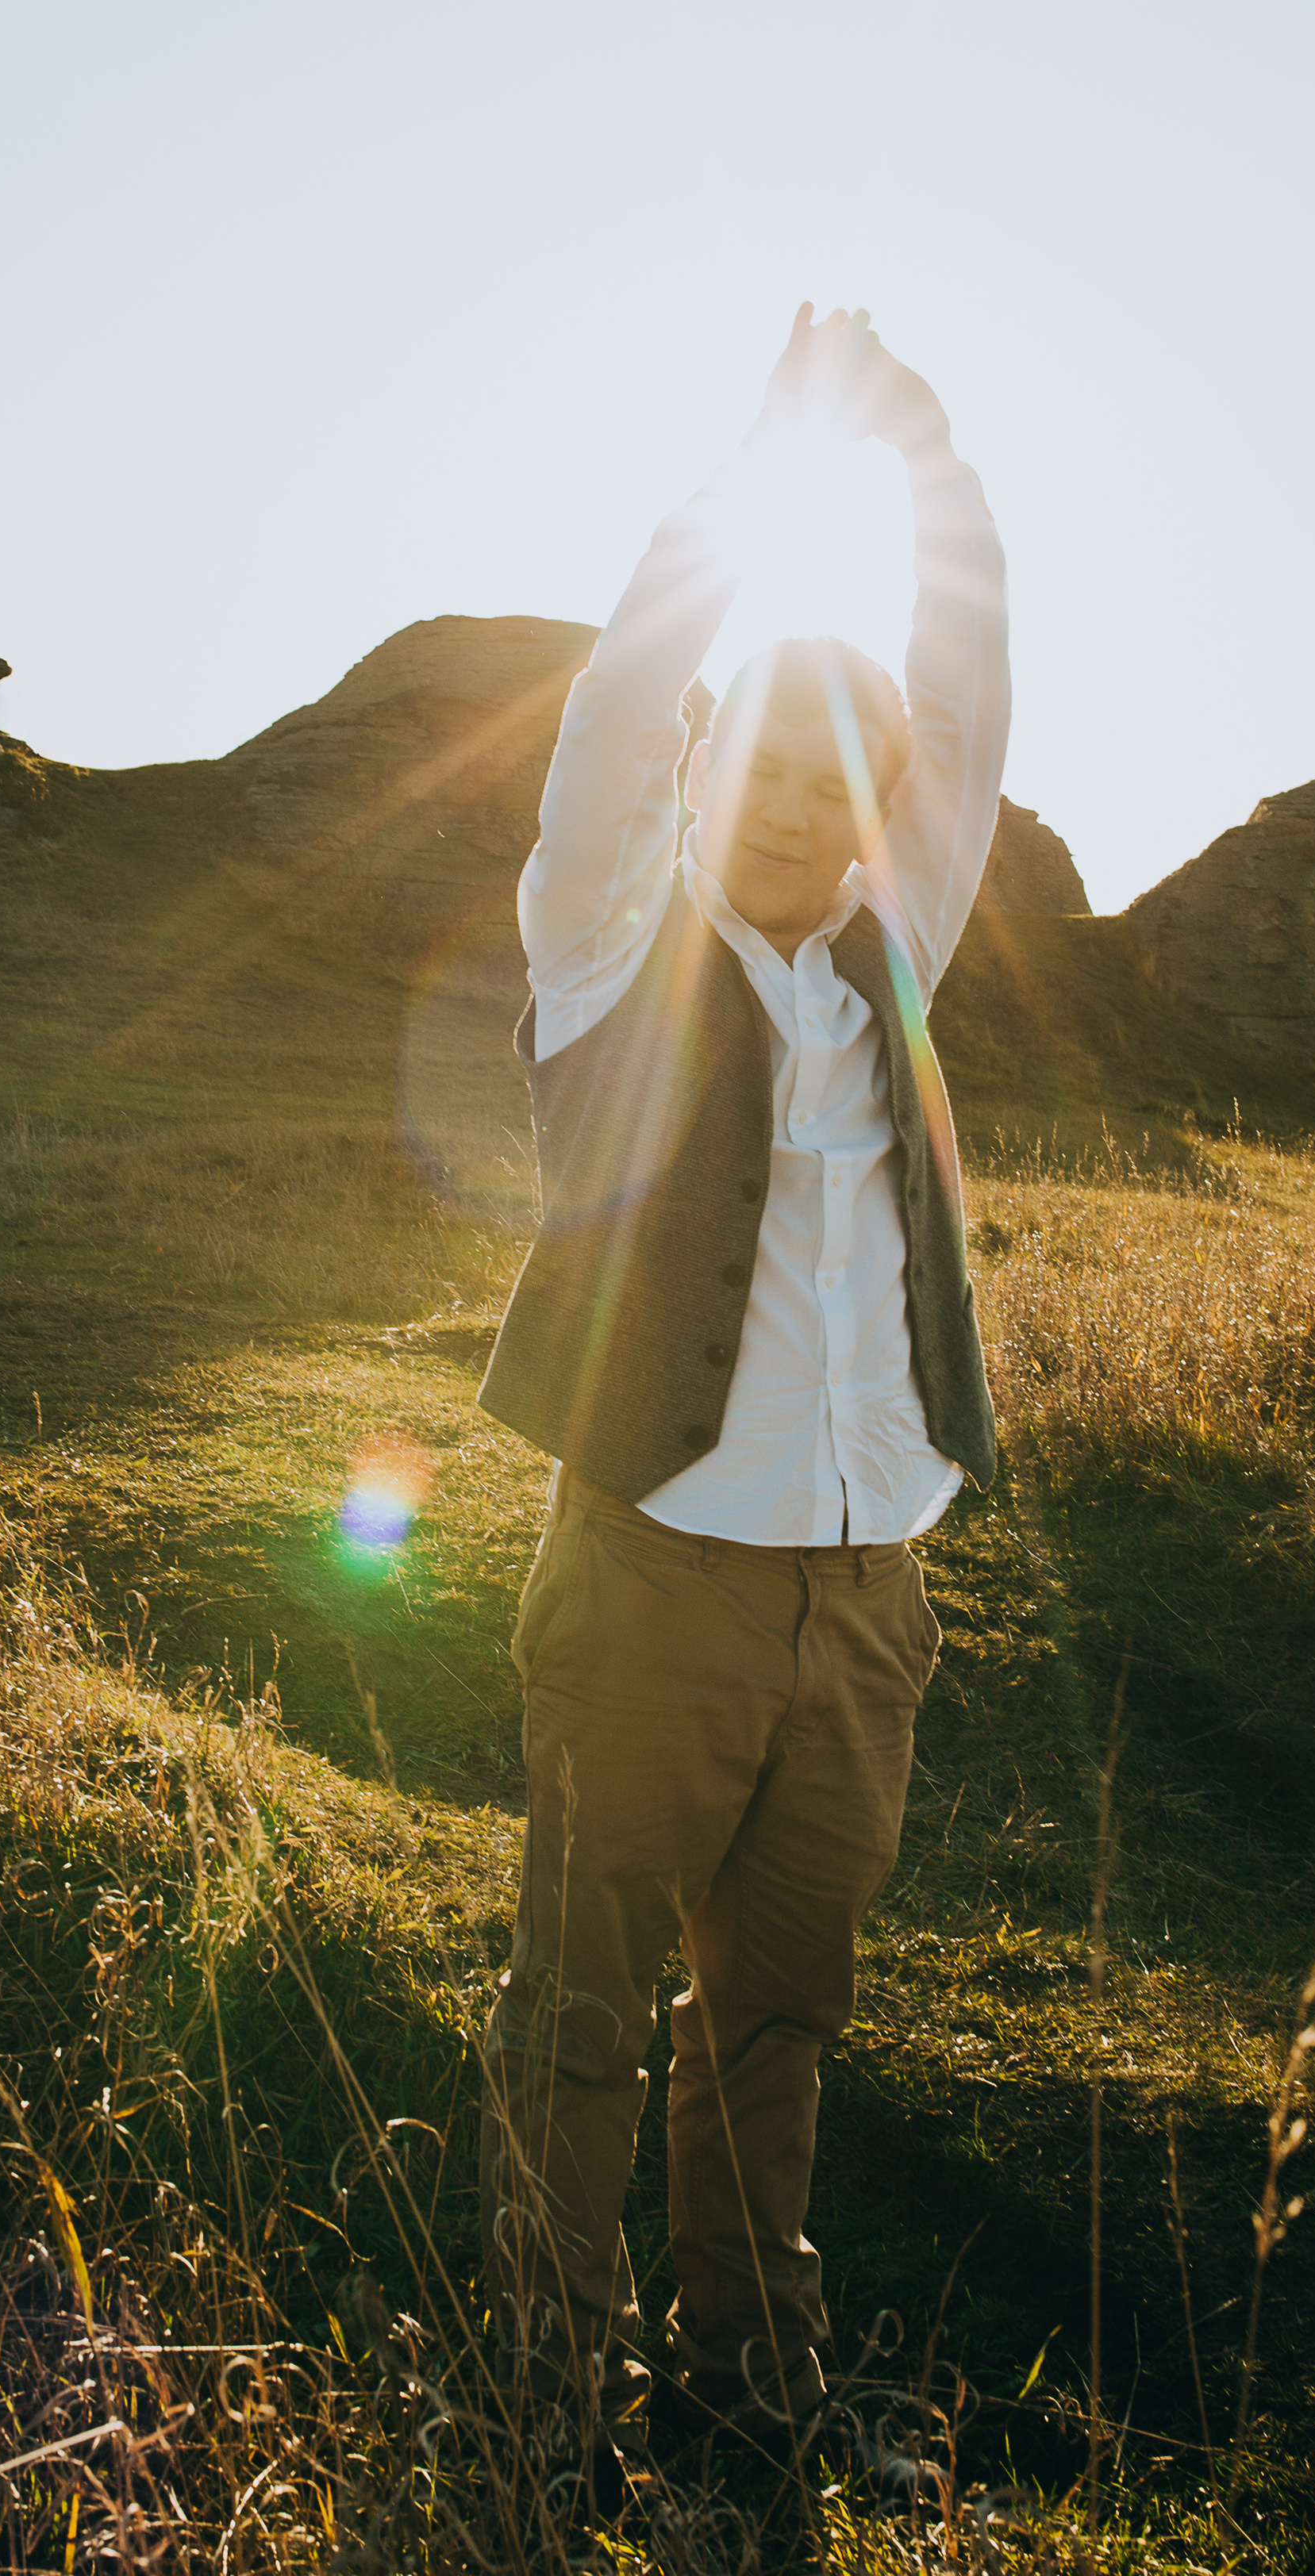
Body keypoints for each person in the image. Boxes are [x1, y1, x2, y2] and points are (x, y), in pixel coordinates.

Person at [475, 301, 1009, 2469]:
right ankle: (533, 2402)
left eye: (829, 779)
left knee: (772, 2030)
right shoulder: (603, 952)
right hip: (657, 1585)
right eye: (758, 767)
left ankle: (743, 2396)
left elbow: (969, 709)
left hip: (864, 1606)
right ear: (707, 776)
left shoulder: (905, 956)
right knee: (584, 2022)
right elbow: (607, 723)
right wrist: (742, 484)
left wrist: (926, 463)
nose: (795, 808)